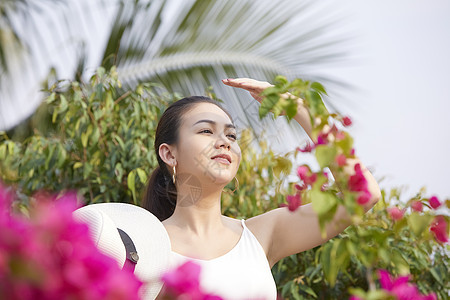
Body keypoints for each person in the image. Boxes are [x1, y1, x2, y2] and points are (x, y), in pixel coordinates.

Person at [143, 78, 381, 299]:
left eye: (232, 135)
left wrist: (297, 109)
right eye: (206, 130)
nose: (225, 141)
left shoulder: (262, 235)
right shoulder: (141, 242)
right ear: (169, 153)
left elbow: (362, 194)